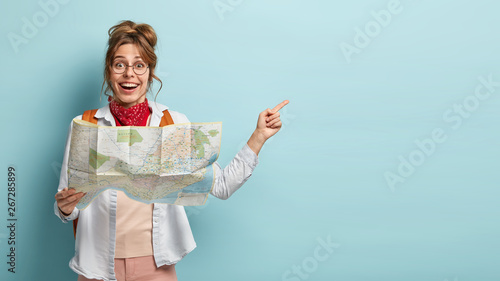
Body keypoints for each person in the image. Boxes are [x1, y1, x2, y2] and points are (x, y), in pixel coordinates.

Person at [54, 20, 288, 281]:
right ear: (109, 71)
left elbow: (221, 186)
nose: (129, 73)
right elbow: (67, 207)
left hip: (155, 268)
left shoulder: (174, 124)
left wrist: (259, 136)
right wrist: (65, 207)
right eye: (119, 64)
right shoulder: (84, 126)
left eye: (139, 65)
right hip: (95, 268)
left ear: (150, 72)